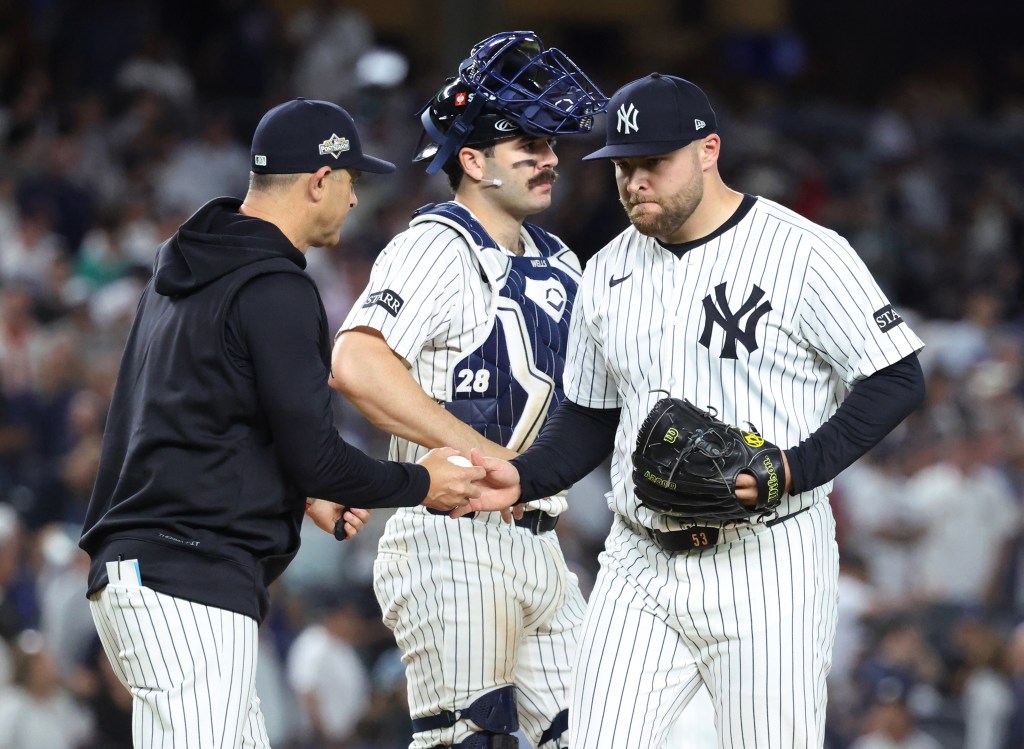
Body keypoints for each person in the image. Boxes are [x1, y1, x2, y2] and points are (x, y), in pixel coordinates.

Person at [464, 73, 926, 748]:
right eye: (622, 167)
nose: (634, 182)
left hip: (768, 559)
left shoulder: (803, 252)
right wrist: (527, 476)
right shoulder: (608, 269)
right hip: (639, 561)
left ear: (708, 150)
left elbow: (897, 378)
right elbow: (592, 413)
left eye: (654, 162)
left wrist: (796, 468)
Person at [78, 98, 508, 749]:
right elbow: (317, 454)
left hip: (147, 571)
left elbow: (199, 417)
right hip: (186, 576)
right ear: (318, 180)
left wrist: (298, 488)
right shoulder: (275, 284)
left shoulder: (182, 269)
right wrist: (419, 482)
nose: (355, 201)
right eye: (351, 180)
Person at [330, 31, 607, 749]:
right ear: (474, 160)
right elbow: (357, 361)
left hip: (540, 544)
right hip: (451, 538)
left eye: (550, 147)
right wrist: (488, 457)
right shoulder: (435, 244)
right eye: (529, 149)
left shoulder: (560, 258)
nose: (550, 161)